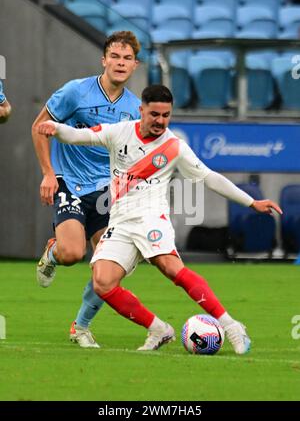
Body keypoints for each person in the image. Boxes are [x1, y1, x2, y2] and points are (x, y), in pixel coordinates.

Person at [37, 85, 283, 354]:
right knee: (103, 281)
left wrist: (251, 202)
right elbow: (79, 136)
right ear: (141, 110)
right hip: (120, 221)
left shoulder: (173, 146)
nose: (160, 121)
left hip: (152, 218)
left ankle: (232, 326)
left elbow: (210, 177)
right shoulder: (120, 132)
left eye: (166, 115)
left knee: (170, 266)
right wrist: (56, 129)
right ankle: (157, 328)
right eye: (155, 114)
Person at [32, 31, 141, 348]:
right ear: (104, 60)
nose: (120, 63)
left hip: (108, 191)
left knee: (112, 267)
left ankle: (80, 327)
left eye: (127, 58)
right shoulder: (75, 92)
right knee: (72, 254)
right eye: (115, 57)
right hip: (69, 181)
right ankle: (53, 253)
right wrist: (48, 174)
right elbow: (39, 128)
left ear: (135, 65)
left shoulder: (135, 109)